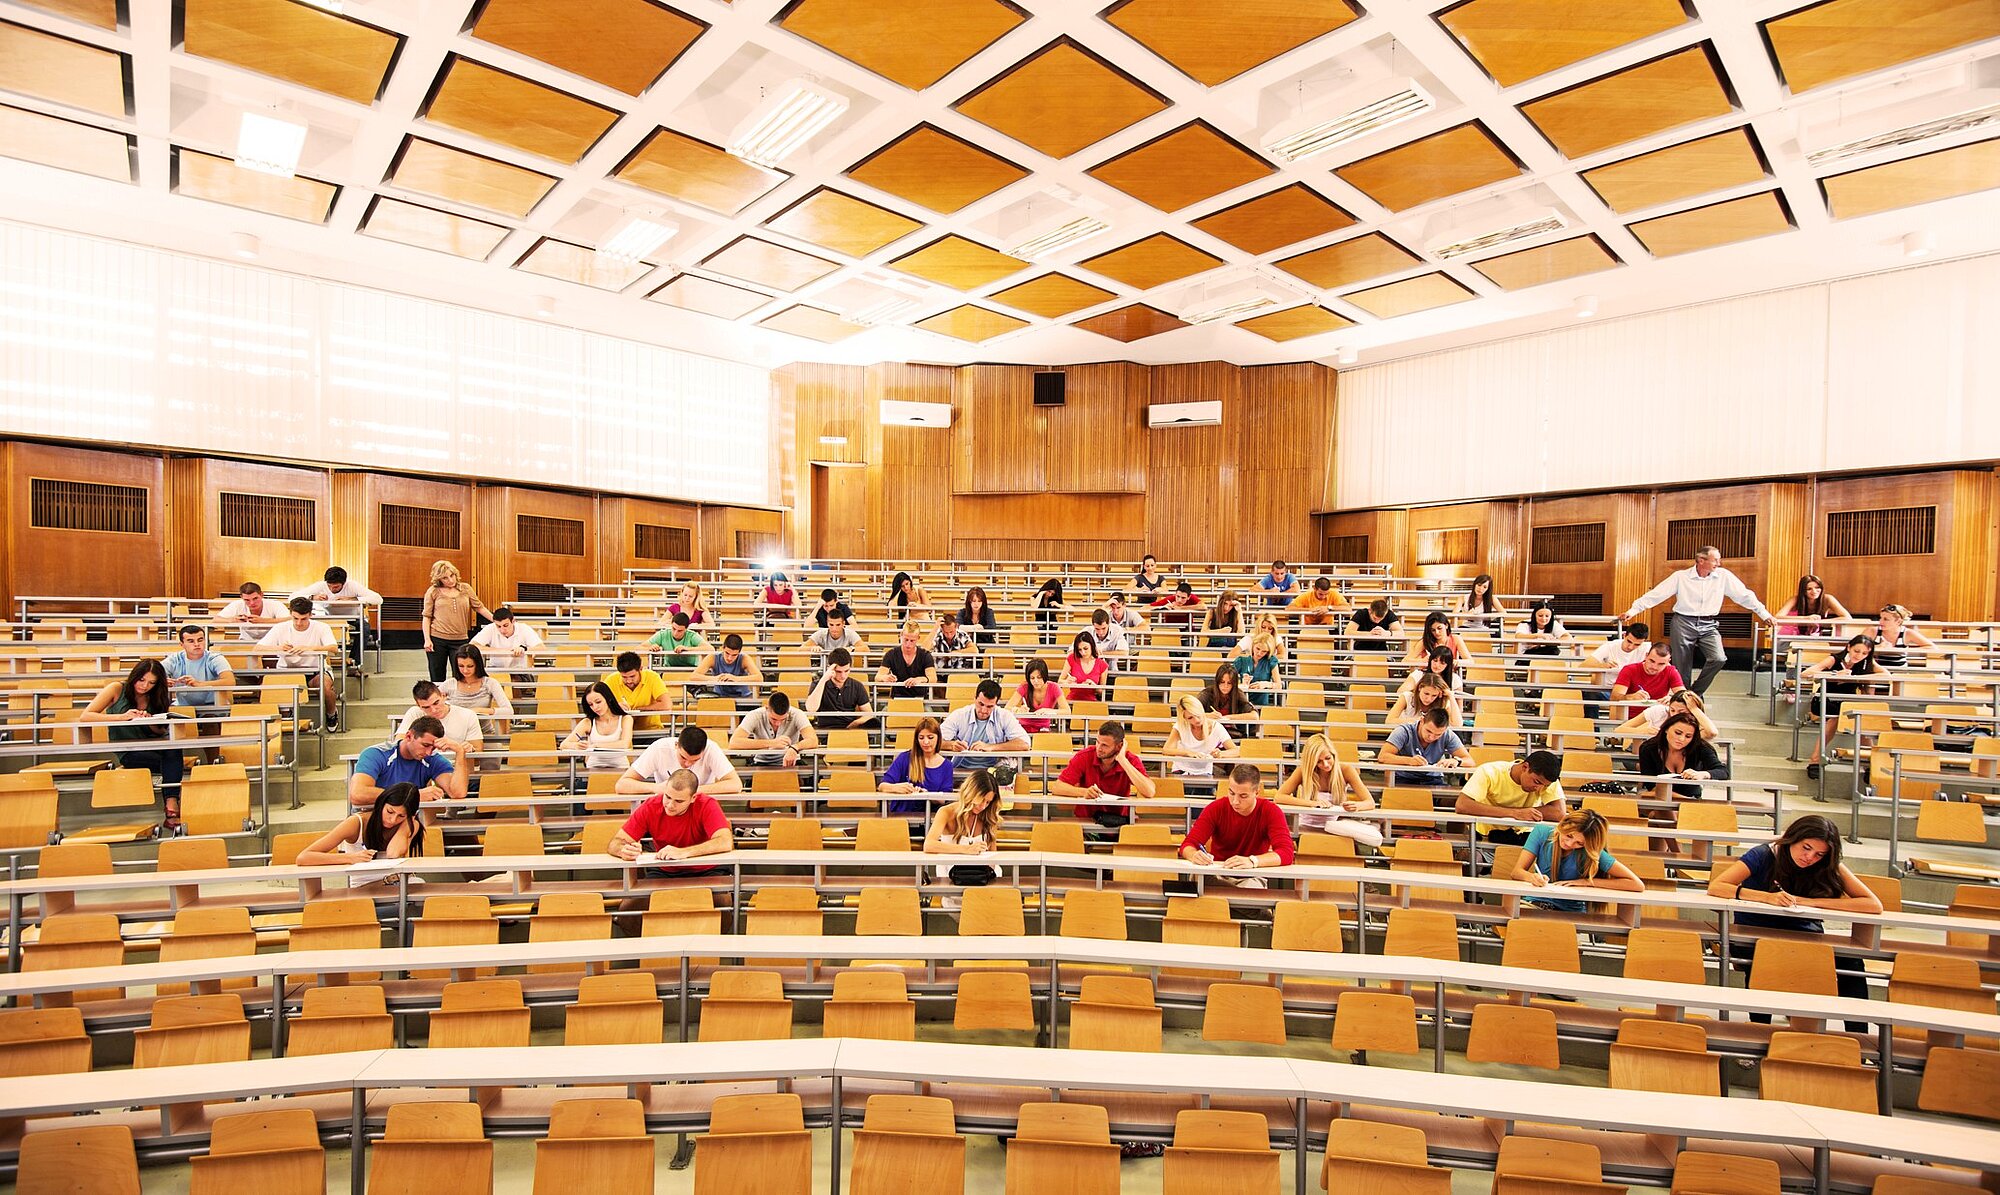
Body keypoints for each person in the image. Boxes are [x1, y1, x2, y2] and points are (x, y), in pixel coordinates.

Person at [1707, 814, 1882, 1030]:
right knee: (1766, 956)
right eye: (1806, 847)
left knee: (1851, 961)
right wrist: (1767, 897)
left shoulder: (1827, 864)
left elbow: (1873, 904)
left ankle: (1860, 1041)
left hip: (1806, 936)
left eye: (1819, 854)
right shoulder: (1764, 854)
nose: (1810, 857)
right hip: (1756, 934)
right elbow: (1717, 886)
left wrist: (1812, 903)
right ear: (1792, 839)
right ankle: (1759, 1031)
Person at [1620, 546, 1775, 695]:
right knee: (1682, 669)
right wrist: (1633, 611)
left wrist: (1765, 614)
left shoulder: (1724, 576)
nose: (1719, 563)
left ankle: (1693, 694)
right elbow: (1656, 595)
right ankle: (1683, 700)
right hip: (1683, 622)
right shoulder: (1681, 577)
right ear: (1701, 560)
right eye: (1715, 560)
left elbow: (1745, 596)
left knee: (1718, 658)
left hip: (1709, 623)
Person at [81, 659, 185, 832]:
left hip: (153, 747)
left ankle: (171, 803)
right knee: (172, 764)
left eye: (151, 683)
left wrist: (150, 721)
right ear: (134, 676)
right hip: (129, 751)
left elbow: (160, 732)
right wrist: (122, 717)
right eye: (142, 680)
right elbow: (86, 716)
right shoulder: (116, 689)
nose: (145, 686)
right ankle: (172, 807)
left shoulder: (157, 695)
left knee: (173, 751)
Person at [1180, 763, 1296, 887]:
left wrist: (1253, 861)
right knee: (1196, 879)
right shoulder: (1215, 808)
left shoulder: (1271, 811)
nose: (1235, 801)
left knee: (1251, 888)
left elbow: (1286, 853)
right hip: (1218, 872)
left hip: (1252, 874)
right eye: (1231, 793)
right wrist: (1193, 855)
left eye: (1243, 796)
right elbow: (1188, 844)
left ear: (1257, 792)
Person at [1508, 809, 1644, 913]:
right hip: (1534, 904)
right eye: (1569, 835)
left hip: (1570, 912)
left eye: (1579, 843)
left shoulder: (1591, 851)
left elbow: (1637, 885)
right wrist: (1533, 877)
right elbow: (1516, 872)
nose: (1569, 843)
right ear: (1563, 824)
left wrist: (1586, 882)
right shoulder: (1542, 832)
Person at [607, 767, 734, 874]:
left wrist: (684, 852)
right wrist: (623, 850)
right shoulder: (651, 806)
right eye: (667, 797)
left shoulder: (707, 804)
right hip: (665, 870)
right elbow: (615, 843)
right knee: (630, 904)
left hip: (707, 868)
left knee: (724, 901)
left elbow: (725, 842)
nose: (670, 805)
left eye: (679, 801)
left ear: (693, 798)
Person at [348, 717, 470, 819]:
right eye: (425, 745)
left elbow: (458, 793)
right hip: (373, 818)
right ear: (408, 736)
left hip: (407, 820)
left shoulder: (433, 759)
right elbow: (357, 794)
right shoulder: (376, 754)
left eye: (433, 748)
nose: (428, 752)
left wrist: (459, 751)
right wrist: (412, 796)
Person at [1454, 750, 1566, 857]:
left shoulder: (1547, 780)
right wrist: (1515, 813)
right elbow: (1462, 805)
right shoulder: (1489, 771)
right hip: (1485, 835)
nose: (1539, 788)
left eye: (1545, 786)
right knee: (1469, 859)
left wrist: (1519, 813)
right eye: (1536, 782)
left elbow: (1559, 812)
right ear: (1525, 767)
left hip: (1526, 837)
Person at [1799, 634, 1883, 778]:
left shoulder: (1867, 663)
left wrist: (1857, 678)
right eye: (1857, 651)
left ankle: (1871, 763)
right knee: (1836, 718)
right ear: (1849, 647)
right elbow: (1805, 673)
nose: (1859, 655)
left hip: (1847, 701)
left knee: (1863, 721)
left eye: (1864, 653)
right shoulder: (1834, 659)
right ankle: (1815, 761)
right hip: (1826, 699)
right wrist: (1835, 674)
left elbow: (1886, 675)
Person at [1051, 720, 1157, 831]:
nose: (1099, 748)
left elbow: (1149, 791)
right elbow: (1057, 787)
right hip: (1087, 821)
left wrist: (1123, 761)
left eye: (1105, 745)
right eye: (1097, 742)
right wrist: (1085, 792)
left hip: (1119, 822)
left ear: (1119, 746)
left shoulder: (1130, 760)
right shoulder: (1084, 756)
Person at [1279, 733, 1381, 847]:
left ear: (1334, 755)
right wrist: (1312, 803)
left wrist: (1356, 806)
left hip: (1335, 828)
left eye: (1328, 758)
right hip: (1304, 826)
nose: (1325, 764)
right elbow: (1279, 797)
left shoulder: (1346, 770)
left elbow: (1370, 802)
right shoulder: (1303, 770)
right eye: (1319, 761)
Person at [259, 596, 342, 730]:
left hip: (315, 670)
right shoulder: (280, 628)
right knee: (272, 687)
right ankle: (286, 715)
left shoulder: (322, 627)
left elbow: (333, 648)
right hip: (287, 672)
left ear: (310, 614)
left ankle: (331, 713)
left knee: (325, 687)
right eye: (295, 618)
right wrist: (278, 648)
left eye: (303, 619)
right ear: (290, 613)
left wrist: (309, 648)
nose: (298, 623)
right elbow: (258, 648)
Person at [298, 781, 425, 867]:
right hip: (364, 888)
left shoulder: (410, 824)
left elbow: (393, 854)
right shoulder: (356, 823)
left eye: (401, 816)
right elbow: (304, 857)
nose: (392, 820)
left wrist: (407, 823)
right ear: (381, 804)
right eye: (389, 812)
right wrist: (350, 858)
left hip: (396, 884)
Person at [924, 768, 1002, 887]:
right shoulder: (946, 812)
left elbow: (992, 853)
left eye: (988, 802)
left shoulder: (988, 816)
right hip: (952, 877)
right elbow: (929, 845)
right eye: (981, 800)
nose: (983, 806)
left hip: (982, 878)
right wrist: (966, 849)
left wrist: (987, 873)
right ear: (971, 793)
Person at [421, 560, 492, 684]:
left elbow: (479, 607)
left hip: (460, 639)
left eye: (452, 575)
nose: (450, 580)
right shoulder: (433, 591)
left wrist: (496, 620)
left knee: (461, 676)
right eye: (445, 578)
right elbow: (426, 616)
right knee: (437, 675)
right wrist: (427, 639)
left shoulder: (465, 588)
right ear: (439, 579)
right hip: (437, 639)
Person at [619, 724, 742, 796]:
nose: (687, 764)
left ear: (704, 751)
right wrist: (655, 788)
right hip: (667, 804)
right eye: (683, 757)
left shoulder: (712, 748)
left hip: (699, 803)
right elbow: (622, 785)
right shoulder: (659, 747)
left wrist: (692, 791)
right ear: (676, 745)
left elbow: (735, 784)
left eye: (695, 760)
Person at [470, 606, 544, 721]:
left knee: (513, 683)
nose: (502, 629)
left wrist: (524, 649)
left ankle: (514, 719)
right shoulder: (490, 629)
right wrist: (499, 651)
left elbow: (541, 648)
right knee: (488, 684)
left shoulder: (524, 629)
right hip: (496, 670)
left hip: (520, 671)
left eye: (505, 625)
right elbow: (472, 646)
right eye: (498, 626)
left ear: (513, 621)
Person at [300, 566, 382, 667]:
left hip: (352, 618)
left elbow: (378, 599)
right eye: (329, 586)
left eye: (335, 587)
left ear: (343, 584)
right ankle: (317, 663)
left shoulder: (352, 585)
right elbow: (293, 597)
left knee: (365, 628)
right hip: (330, 618)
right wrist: (312, 597)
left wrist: (353, 599)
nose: (331, 589)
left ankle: (354, 663)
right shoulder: (321, 586)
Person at [939, 679, 1031, 769]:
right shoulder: (959, 715)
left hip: (994, 768)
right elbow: (935, 740)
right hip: (961, 766)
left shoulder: (1004, 716)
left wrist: (991, 747)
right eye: (981, 704)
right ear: (974, 699)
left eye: (989, 706)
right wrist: (952, 745)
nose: (984, 710)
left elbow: (1025, 744)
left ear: (996, 703)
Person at [1378, 708, 1473, 788]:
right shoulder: (1403, 731)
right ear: (1422, 720)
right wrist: (1409, 761)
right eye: (1428, 731)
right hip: (1403, 779)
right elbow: (1383, 756)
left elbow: (1469, 760)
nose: (1431, 737)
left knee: (1452, 801)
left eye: (1438, 734)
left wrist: (1457, 761)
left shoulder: (1448, 735)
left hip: (1433, 780)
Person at [880, 716, 955, 815]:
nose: (926, 742)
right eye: (921, 738)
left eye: (930, 737)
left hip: (931, 817)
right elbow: (882, 786)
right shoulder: (904, 758)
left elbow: (945, 799)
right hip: (903, 815)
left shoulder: (947, 766)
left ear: (938, 738)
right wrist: (898, 788)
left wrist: (927, 794)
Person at [397, 680, 483, 762]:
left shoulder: (467, 715)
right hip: (421, 766)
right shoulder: (414, 712)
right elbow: (399, 743)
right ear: (418, 705)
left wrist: (470, 749)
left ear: (443, 696)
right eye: (426, 707)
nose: (434, 710)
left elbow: (478, 753)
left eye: (436, 703)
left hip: (455, 766)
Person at [443, 643, 512, 743]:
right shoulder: (449, 684)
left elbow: (508, 711)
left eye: (470, 666)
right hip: (455, 737)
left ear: (477, 664)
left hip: (485, 735)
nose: (465, 670)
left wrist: (481, 710)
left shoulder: (490, 683)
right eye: (461, 666)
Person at [729, 690, 816, 767]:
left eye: (783, 719)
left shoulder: (797, 714)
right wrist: (771, 743)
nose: (778, 723)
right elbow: (734, 743)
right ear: (767, 709)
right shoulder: (755, 715)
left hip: (792, 761)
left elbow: (813, 740)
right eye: (774, 719)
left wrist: (795, 748)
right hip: (762, 762)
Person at [1162, 695, 1238, 782]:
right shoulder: (1180, 726)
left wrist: (1221, 754)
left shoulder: (1216, 727)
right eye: (1190, 718)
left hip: (1205, 774)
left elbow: (1235, 751)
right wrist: (1188, 753)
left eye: (1197, 715)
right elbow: (1166, 750)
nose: (1196, 720)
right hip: (1180, 772)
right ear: (1184, 719)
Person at [1583, 623, 1650, 721]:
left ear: (1643, 642)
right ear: (1624, 635)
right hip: (1608, 690)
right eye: (1629, 641)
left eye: (1637, 645)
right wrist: (1602, 666)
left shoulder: (1647, 649)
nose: (1631, 647)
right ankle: (1593, 731)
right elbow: (1585, 665)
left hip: (1633, 691)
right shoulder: (1610, 646)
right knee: (1589, 694)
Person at [561, 681, 633, 773]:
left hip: (620, 768)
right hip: (593, 768)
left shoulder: (625, 719)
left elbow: (624, 744)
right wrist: (576, 745)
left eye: (598, 702)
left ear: (608, 699)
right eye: (591, 704)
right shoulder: (587, 722)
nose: (595, 707)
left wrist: (595, 746)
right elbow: (564, 744)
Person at [162, 624, 235, 712]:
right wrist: (162, 681)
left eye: (200, 640)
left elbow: (230, 681)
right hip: (183, 707)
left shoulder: (214, 658)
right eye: (191, 641)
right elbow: (151, 673)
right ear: (182, 644)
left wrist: (199, 684)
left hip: (214, 705)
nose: (197, 644)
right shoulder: (175, 659)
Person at [1610, 642, 1685, 720]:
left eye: (1661, 664)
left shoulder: (1671, 671)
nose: (1654, 667)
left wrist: (1673, 698)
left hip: (1658, 718)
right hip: (1630, 718)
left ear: (1668, 661)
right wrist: (1631, 697)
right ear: (1646, 656)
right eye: (1652, 661)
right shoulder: (1629, 670)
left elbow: (1684, 696)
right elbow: (1614, 697)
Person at [1612, 687, 1719, 740]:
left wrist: (1695, 709)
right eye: (1672, 710)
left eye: (1681, 712)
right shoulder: (1659, 711)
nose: (1675, 715)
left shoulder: (1697, 723)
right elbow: (1618, 730)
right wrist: (1642, 731)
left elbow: (1712, 733)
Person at [805, 648, 874, 730]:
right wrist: (824, 679)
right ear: (830, 668)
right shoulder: (818, 684)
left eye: (846, 671)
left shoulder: (857, 686)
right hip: (825, 731)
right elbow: (810, 709)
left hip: (850, 730)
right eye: (839, 672)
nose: (843, 676)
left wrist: (855, 723)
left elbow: (869, 714)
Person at [605, 651, 672, 731]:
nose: (629, 681)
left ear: (641, 669)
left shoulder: (652, 677)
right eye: (624, 677)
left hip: (650, 730)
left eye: (632, 676)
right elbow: (597, 705)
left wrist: (639, 709)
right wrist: (615, 707)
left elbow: (667, 705)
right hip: (620, 731)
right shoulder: (611, 680)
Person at [1775, 574, 1851, 641]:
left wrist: (1819, 622)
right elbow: (1777, 617)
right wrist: (1806, 619)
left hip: (1815, 637)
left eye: (1817, 587)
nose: (1814, 591)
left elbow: (1847, 617)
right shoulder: (1795, 599)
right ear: (1803, 591)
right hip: (1790, 636)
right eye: (1809, 589)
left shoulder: (1827, 599)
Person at [693, 633, 765, 702]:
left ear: (739, 652)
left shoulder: (744, 658)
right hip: (720, 698)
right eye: (727, 653)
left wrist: (736, 679)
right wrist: (715, 678)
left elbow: (759, 678)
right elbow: (694, 676)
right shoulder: (713, 657)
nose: (730, 658)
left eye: (734, 655)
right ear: (723, 648)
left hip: (743, 698)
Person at [874, 624, 937, 700]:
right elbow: (877, 677)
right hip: (897, 698)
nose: (908, 644)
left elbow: (933, 678)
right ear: (901, 635)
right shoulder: (891, 654)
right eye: (906, 640)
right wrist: (885, 678)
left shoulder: (925, 655)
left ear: (918, 638)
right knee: (883, 712)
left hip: (920, 698)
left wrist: (920, 679)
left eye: (912, 641)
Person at [216, 581, 288, 647]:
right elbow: (216, 619)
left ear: (262, 595)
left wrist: (263, 621)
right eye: (247, 600)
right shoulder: (237, 604)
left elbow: (289, 620)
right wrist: (232, 620)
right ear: (241, 597)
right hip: (245, 642)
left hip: (271, 643)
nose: (252, 603)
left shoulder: (274, 604)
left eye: (255, 598)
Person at [1008, 657, 1067, 734]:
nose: (1035, 681)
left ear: (1045, 675)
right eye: (1032, 678)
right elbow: (1007, 708)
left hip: (1043, 728)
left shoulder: (1054, 687)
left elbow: (1067, 711)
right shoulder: (1024, 686)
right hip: (1022, 726)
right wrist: (1017, 710)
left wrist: (1049, 711)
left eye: (1039, 677)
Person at [1386, 670, 1464, 728]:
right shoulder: (1407, 697)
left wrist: (1451, 696)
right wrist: (1416, 721)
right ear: (1420, 688)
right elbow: (1389, 721)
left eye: (1434, 695)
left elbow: (1458, 724)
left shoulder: (1442, 701)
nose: (1428, 699)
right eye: (1426, 693)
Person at [1198, 662, 1259, 736]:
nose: (1225, 686)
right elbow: (1191, 713)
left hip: (1232, 734)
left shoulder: (1238, 694)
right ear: (1217, 681)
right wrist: (1208, 715)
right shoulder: (1206, 694)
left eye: (1229, 683)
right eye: (1222, 682)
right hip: (1210, 732)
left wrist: (1228, 718)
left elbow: (1254, 716)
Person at [1230, 631, 1283, 707]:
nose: (1259, 653)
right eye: (1257, 649)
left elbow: (1279, 685)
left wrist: (1265, 684)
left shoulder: (1271, 661)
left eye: (1264, 651)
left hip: (1261, 704)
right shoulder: (1241, 660)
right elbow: (1229, 682)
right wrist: (1242, 685)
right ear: (1253, 645)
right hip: (1243, 702)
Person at [1404, 611, 1473, 668]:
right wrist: (1422, 661)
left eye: (1439, 628)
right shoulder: (1424, 642)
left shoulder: (1456, 639)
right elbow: (1405, 661)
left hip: (1448, 675)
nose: (1437, 632)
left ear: (1446, 625)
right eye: (1433, 630)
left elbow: (1470, 661)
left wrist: (1456, 661)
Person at [1061, 631, 1109, 703]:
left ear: (1092, 646)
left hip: (1091, 703)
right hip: (1071, 701)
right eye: (1080, 649)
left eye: (1085, 648)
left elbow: (1101, 691)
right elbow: (1060, 681)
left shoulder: (1102, 664)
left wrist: (1094, 686)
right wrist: (1067, 682)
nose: (1083, 652)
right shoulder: (1072, 658)